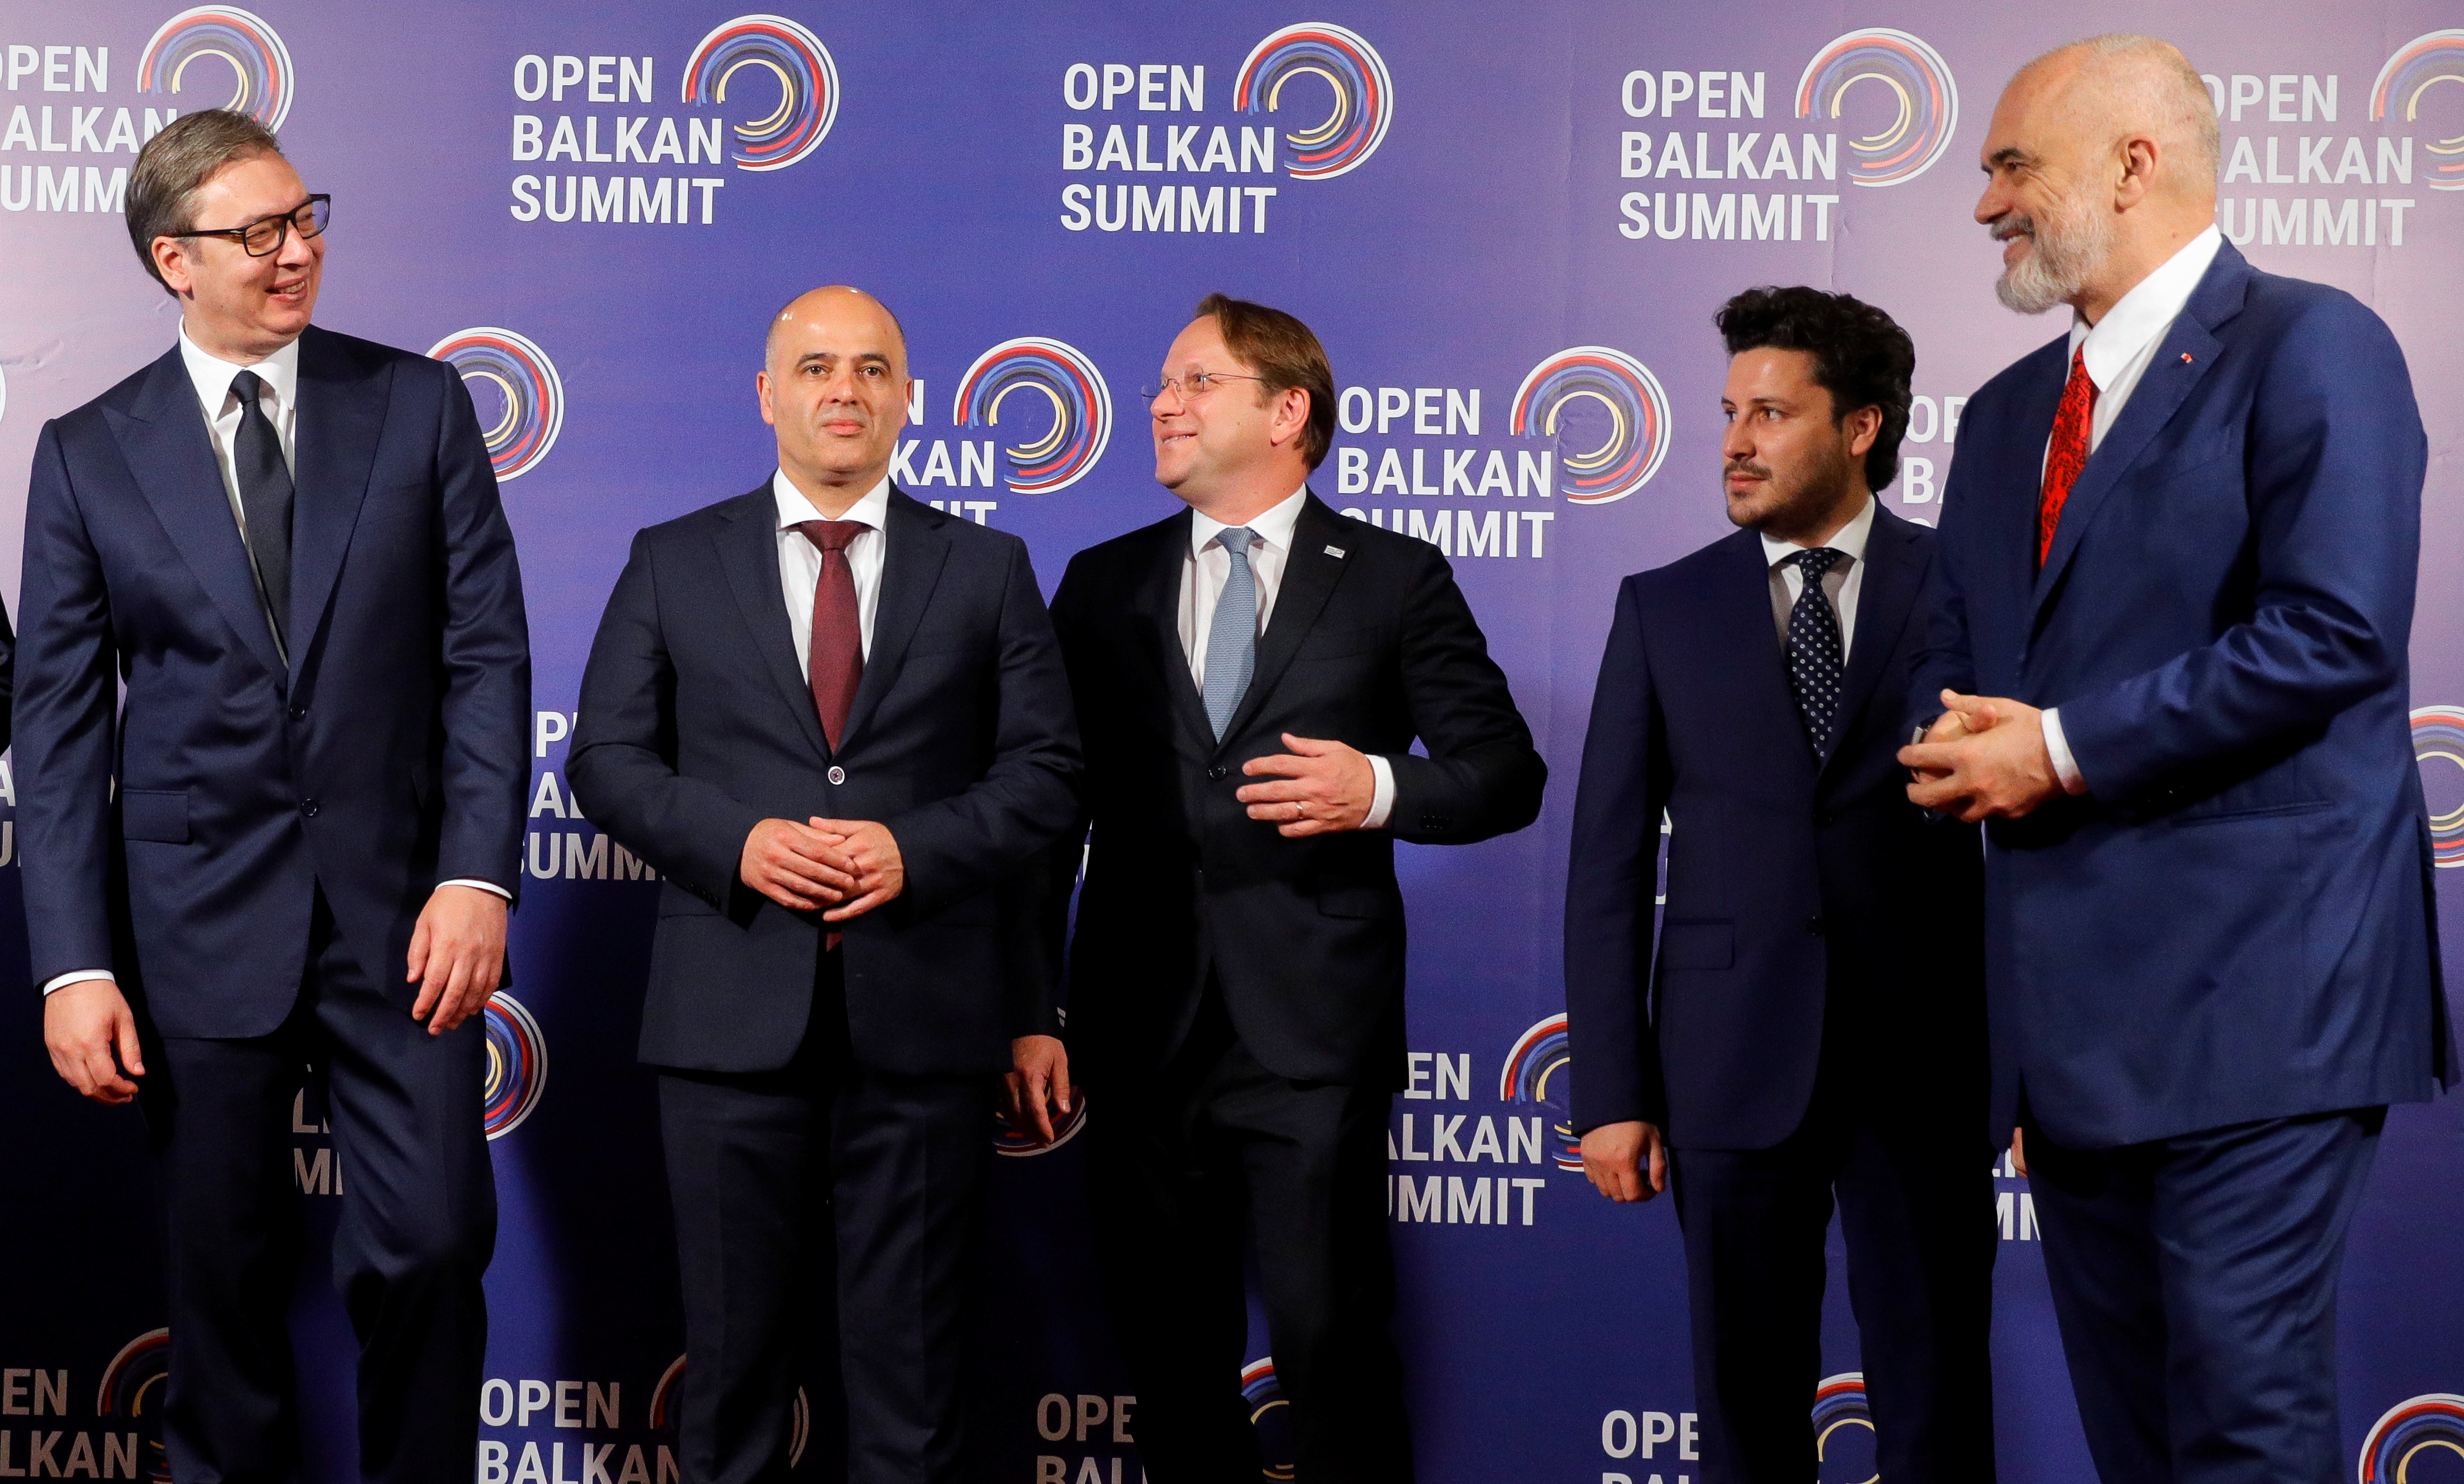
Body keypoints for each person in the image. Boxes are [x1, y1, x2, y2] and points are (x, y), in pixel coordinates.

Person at [1900, 36, 2449, 1482]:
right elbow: (1950, 662)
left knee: (2240, 1439)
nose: (1985, 204)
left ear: (2130, 165)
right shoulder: (2006, 415)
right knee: (2135, 1443)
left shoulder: (2313, 344)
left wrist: (2055, 750)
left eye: (2012, 166)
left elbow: (2333, 633)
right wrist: (1951, 740)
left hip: (2260, 1011)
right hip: (2066, 1039)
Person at [22, 109, 530, 1483]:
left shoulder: (419, 405)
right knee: (221, 1283)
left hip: (405, 921)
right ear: (173, 261)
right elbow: (58, 733)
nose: (296, 250)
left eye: (305, 218)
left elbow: (487, 657)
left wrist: (475, 875)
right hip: (191, 925)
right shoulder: (86, 451)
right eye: (258, 232)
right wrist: (74, 964)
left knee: (434, 1243)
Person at [567, 286, 1080, 1484]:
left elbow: (1049, 773)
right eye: (814, 368)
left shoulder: (989, 567)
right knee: (732, 1375)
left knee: (913, 1384)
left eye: (870, 368)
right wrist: (736, 842)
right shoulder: (672, 558)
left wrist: (917, 851)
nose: (843, 390)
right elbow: (607, 760)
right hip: (726, 1024)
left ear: (908, 398)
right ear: (767, 395)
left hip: (924, 1028)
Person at [1044, 293, 1546, 1483]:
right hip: (1137, 1023)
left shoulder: (1391, 578)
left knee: (1329, 1340)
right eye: (1163, 383)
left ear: (1285, 413)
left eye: (1196, 381)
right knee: (1168, 1346)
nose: (1162, 404)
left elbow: (1504, 774)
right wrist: (1029, 1007)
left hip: (1312, 1032)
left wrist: (1374, 787)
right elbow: (1045, 809)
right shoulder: (1100, 582)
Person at [1565, 287, 1995, 1483]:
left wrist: (2029, 1063)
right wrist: (1610, 1090)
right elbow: (1606, 863)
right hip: (1725, 1059)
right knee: (1745, 1411)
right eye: (1726, 414)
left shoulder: (1962, 587)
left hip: (1924, 1062)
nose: (1735, 443)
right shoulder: (1663, 605)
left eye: (1770, 413)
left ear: (1859, 428)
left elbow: (2027, 846)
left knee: (1937, 1403)